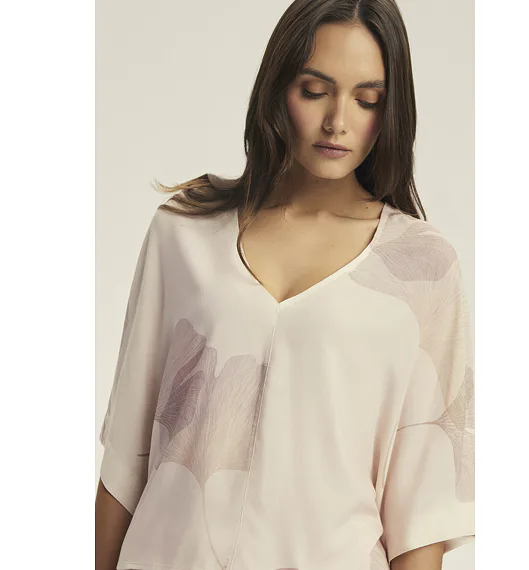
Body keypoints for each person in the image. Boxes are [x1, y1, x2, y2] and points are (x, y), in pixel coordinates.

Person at [95, 1, 475, 569]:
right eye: (315, 90)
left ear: (391, 110)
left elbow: (423, 512)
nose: (337, 121)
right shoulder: (184, 231)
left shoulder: (423, 265)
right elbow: (127, 458)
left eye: (366, 100)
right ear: (277, 89)